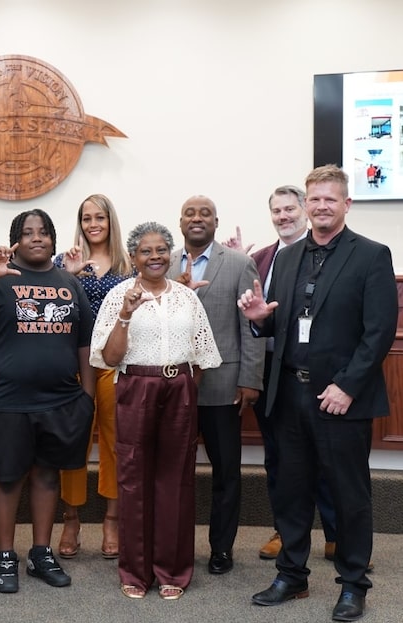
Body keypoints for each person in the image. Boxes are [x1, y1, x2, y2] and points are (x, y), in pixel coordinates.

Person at [239, 165, 397, 622]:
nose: (321, 206)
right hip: (288, 394)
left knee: (349, 495)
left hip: (340, 399)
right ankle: (292, 576)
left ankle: (352, 584)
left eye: (331, 198)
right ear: (306, 205)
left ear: (346, 204)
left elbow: (379, 332)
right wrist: (258, 319)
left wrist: (347, 386)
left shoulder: (371, 255)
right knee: (290, 491)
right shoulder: (286, 259)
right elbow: (280, 323)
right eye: (315, 199)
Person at [0, 208, 96, 594]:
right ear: (14, 240)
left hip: (61, 400)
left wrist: (88, 398)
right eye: (27, 232)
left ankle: (41, 552)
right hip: (5, 400)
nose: (36, 238)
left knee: (47, 475)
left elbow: (84, 342)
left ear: (53, 239)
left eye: (44, 232)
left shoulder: (69, 281)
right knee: (6, 478)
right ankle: (4, 555)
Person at [90, 221, 221, 600]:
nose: (155, 257)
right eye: (146, 251)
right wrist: (127, 314)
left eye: (161, 250)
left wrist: (182, 388)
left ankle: (172, 572)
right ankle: (135, 572)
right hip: (134, 388)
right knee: (134, 480)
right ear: (134, 257)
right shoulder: (119, 296)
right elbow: (110, 358)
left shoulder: (186, 297)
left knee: (175, 480)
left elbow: (200, 355)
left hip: (178, 387)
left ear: (171, 254)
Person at [167, 195, 265, 575]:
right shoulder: (164, 262)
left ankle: (221, 549)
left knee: (226, 472)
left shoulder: (240, 264)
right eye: (189, 212)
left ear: (216, 221)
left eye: (204, 213)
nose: (196, 218)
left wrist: (250, 379)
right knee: (175, 471)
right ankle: (176, 546)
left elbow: (251, 326)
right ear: (180, 222)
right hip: (172, 386)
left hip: (225, 385)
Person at [244, 187, 337, 562]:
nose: (283, 216)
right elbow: (257, 316)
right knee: (280, 458)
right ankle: (286, 531)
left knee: (326, 456)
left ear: (305, 211)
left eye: (289, 209)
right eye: (276, 211)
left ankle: (336, 535)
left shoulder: (327, 255)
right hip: (272, 372)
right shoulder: (262, 258)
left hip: (318, 372)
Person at [53, 193, 132, 560]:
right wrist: (66, 276)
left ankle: (112, 520)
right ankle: (71, 519)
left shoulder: (128, 265)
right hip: (73, 364)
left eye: (99, 217)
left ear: (110, 220)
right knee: (74, 442)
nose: (93, 224)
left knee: (116, 442)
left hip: (116, 363)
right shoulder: (63, 261)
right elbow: (51, 308)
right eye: (86, 218)